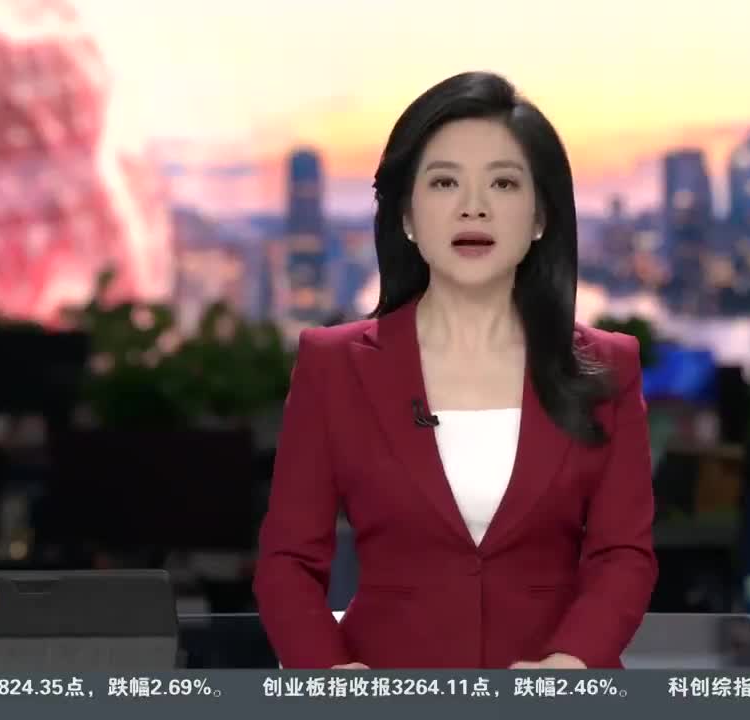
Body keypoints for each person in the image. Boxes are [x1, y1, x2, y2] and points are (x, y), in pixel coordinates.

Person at [253, 71, 657, 669]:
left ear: (540, 216)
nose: (474, 206)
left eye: (503, 183)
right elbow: (288, 561)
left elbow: (623, 555)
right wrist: (330, 676)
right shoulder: (332, 366)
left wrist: (570, 666)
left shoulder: (608, 366)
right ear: (408, 217)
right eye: (445, 182)